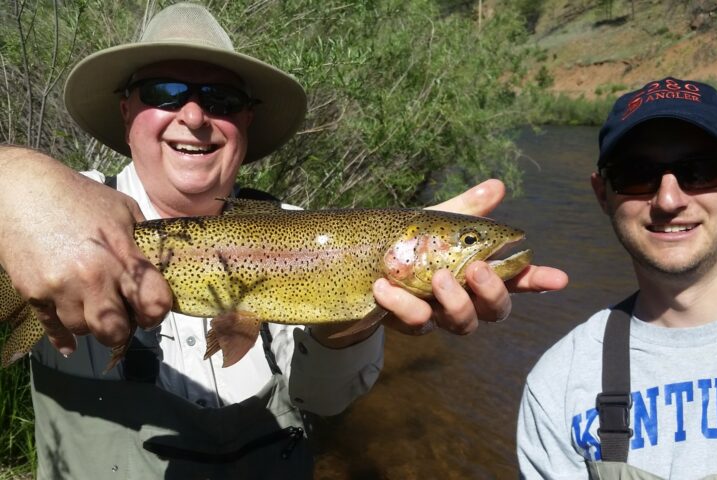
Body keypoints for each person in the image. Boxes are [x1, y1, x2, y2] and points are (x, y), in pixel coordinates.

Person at [0, 3, 567, 479]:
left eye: (221, 101)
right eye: (165, 91)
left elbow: (325, 402)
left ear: (246, 119)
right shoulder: (50, 216)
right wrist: (15, 174)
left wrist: (348, 325)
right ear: (126, 108)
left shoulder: (298, 227)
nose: (194, 115)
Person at [517, 76, 717, 479]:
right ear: (603, 194)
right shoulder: (558, 387)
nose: (669, 201)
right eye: (637, 175)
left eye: (702, 170)